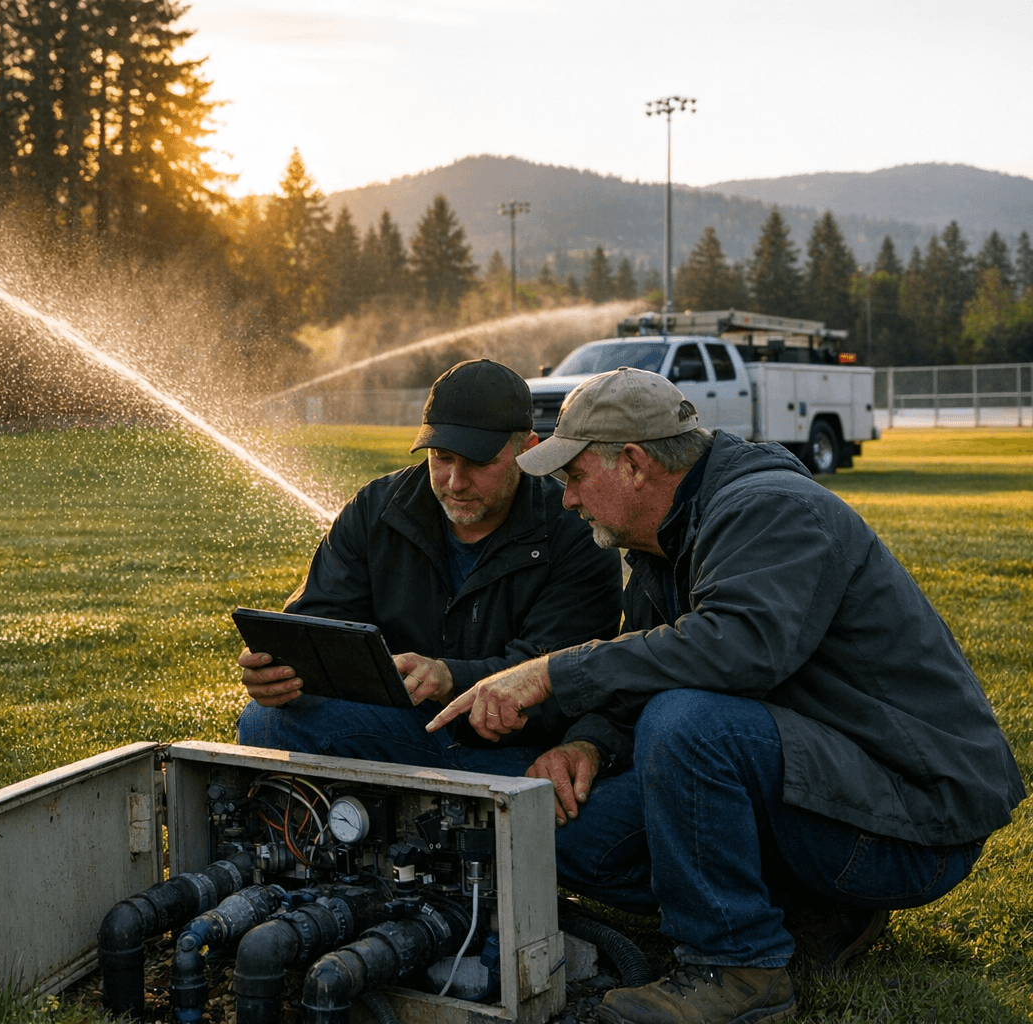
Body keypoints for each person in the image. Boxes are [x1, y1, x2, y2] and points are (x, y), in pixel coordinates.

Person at [428, 367, 1026, 1024]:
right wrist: (589, 744)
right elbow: (652, 665)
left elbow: (740, 649)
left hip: (916, 823)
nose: (567, 501)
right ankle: (811, 911)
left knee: (688, 723)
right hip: (833, 791)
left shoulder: (769, 509)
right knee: (566, 839)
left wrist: (550, 674)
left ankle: (737, 969)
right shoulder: (661, 543)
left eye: (574, 478)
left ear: (632, 464)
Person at [237, 358, 623, 783]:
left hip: (519, 749)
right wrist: (280, 669)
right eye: (441, 458)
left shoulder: (576, 528)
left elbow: (560, 676)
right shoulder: (375, 508)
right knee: (264, 720)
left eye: (478, 462)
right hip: (400, 728)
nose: (455, 482)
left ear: (527, 451)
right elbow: (321, 622)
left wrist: (448, 677)